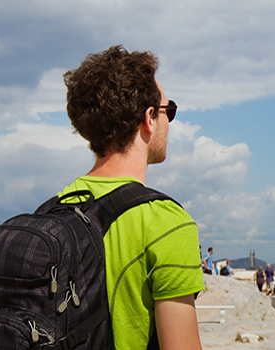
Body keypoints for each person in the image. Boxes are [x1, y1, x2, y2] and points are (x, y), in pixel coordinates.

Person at [61, 45, 203, 349]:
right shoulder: (166, 222)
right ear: (149, 118)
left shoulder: (54, 210)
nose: (169, 122)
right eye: (169, 111)